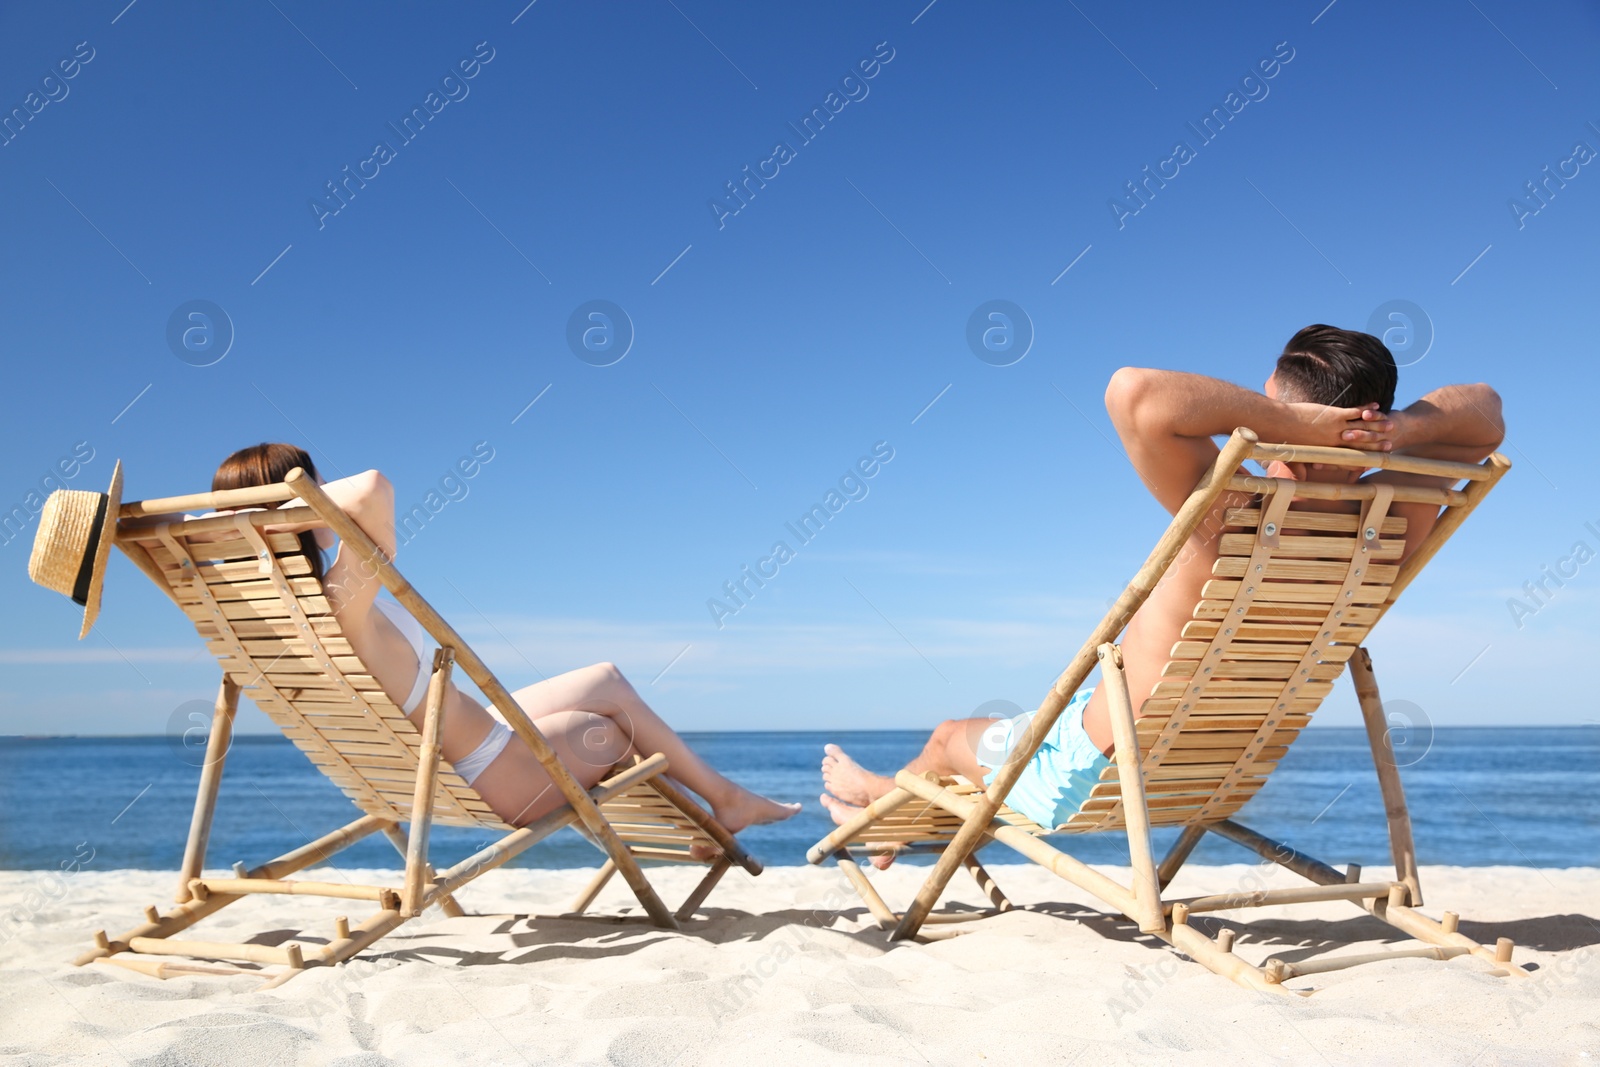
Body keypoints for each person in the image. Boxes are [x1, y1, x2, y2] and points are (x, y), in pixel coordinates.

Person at [819, 324, 1505, 866]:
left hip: (1094, 768)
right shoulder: (1394, 517)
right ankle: (883, 823)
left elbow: (1134, 392)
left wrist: (1282, 419)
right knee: (994, 746)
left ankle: (878, 802)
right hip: (1226, 758)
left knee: (947, 740)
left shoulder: (1236, 508)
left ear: (1282, 403)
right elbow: (1487, 411)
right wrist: (1404, 432)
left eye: (1272, 401)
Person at [210, 443, 802, 833]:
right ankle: (719, 809)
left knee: (605, 678)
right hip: (494, 774)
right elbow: (371, 489)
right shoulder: (340, 599)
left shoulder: (279, 613)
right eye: (314, 485)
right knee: (612, 732)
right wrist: (291, 503)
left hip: (474, 737)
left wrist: (242, 518)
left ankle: (720, 803)